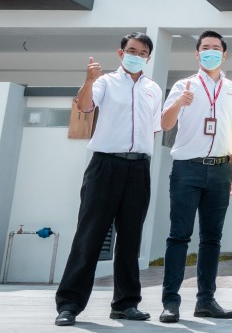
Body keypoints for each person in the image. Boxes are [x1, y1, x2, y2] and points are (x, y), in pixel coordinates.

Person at [55, 33, 163, 327]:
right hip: (105, 165)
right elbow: (85, 106)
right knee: (89, 236)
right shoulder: (104, 82)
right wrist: (89, 79)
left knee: (130, 239)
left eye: (142, 52)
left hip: (139, 168)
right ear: (120, 53)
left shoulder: (154, 89)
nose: (136, 55)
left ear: (148, 58)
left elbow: (153, 129)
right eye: (131, 50)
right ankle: (69, 305)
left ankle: (126, 304)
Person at [159, 30, 232, 323]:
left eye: (216, 48)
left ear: (224, 54)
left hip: (221, 169)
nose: (210, 52)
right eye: (205, 48)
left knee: (212, 239)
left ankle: (206, 301)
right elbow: (164, 123)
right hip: (187, 168)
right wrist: (178, 103)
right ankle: (170, 301)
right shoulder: (184, 85)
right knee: (179, 236)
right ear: (197, 55)